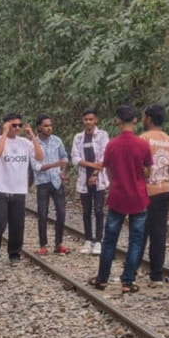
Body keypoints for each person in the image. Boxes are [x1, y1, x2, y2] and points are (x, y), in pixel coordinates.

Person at [89, 105, 152, 294]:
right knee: (135, 240)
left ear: (117, 120)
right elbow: (148, 172)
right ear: (135, 120)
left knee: (109, 239)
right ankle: (128, 281)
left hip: (117, 196)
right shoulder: (143, 144)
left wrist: (117, 181)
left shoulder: (112, 144)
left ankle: (102, 278)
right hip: (139, 197)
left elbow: (108, 170)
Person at [0, 114, 43, 265]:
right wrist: (5, 133)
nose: (17, 128)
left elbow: (39, 157)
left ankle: (14, 254)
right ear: (6, 125)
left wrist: (33, 138)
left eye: (20, 125)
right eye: (14, 125)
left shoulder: (25, 143)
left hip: (19, 189)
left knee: (17, 224)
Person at [139, 104, 169, 287]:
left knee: (140, 231)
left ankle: (131, 272)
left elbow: (139, 166)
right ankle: (156, 276)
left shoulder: (144, 139)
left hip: (146, 191)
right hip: (164, 190)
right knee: (159, 233)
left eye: (143, 116)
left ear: (148, 118)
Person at [71, 109, 109, 255]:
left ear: (96, 120)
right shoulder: (79, 137)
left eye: (91, 119)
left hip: (99, 179)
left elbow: (105, 156)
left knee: (99, 210)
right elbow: (75, 158)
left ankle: (99, 240)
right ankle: (88, 239)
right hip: (83, 179)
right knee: (86, 211)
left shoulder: (102, 135)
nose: (88, 122)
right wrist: (92, 165)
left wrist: (95, 173)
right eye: (86, 119)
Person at [31, 114, 69, 255]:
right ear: (39, 127)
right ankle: (43, 245)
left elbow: (64, 157)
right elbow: (36, 166)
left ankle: (59, 243)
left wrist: (63, 171)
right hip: (42, 182)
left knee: (61, 213)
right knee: (42, 214)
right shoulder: (34, 144)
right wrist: (55, 164)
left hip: (56, 181)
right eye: (46, 126)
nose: (49, 128)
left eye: (50, 125)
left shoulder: (57, 141)